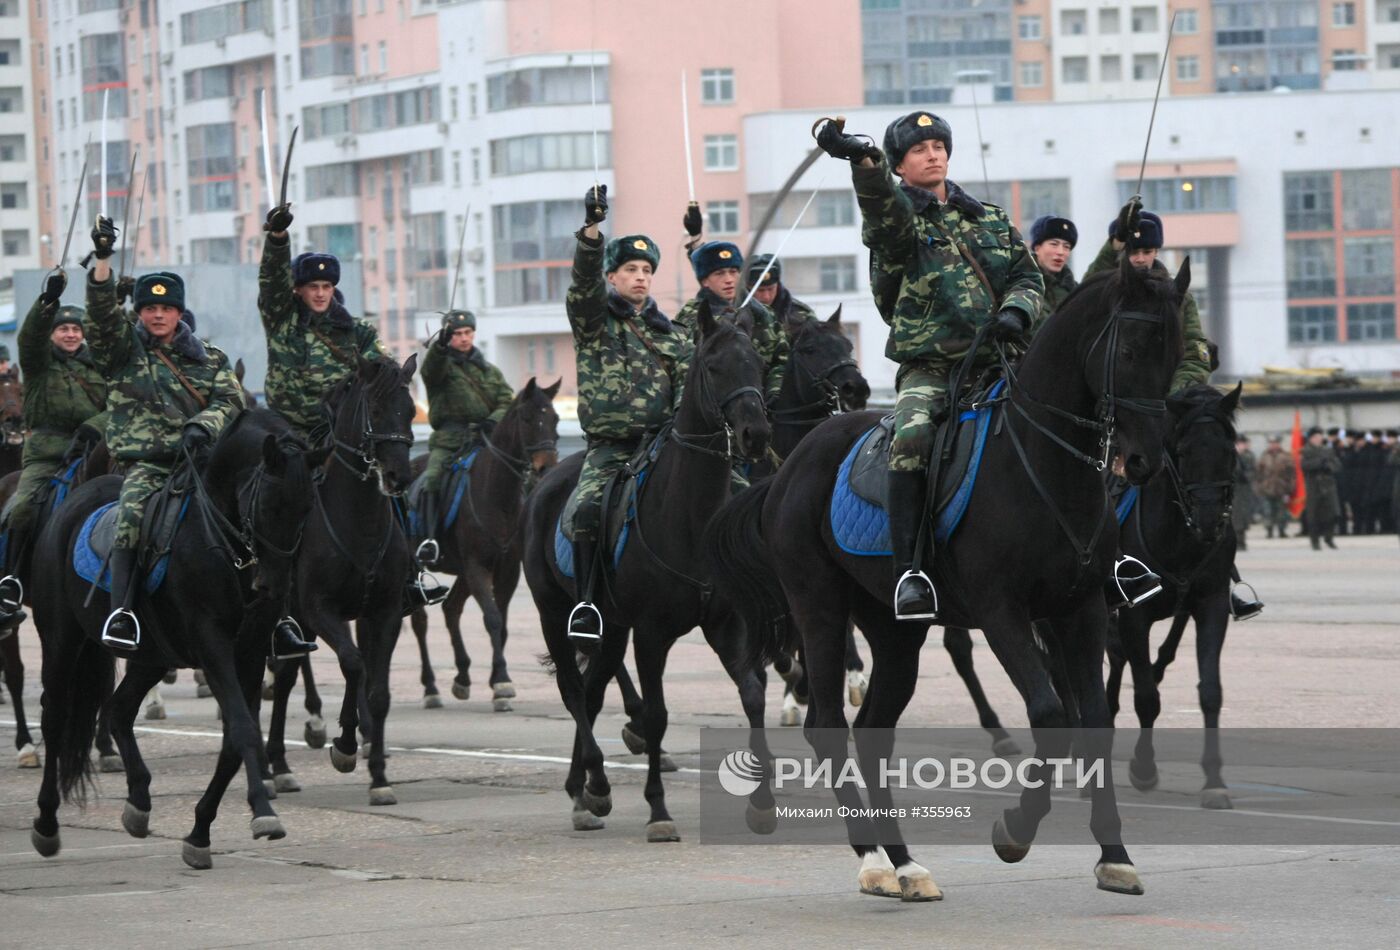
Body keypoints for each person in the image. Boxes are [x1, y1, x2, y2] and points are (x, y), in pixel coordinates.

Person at [815, 111, 1043, 619]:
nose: (933, 153)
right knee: (912, 439)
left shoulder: (989, 217)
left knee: (1078, 415)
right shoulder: (897, 222)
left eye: (939, 144)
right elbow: (881, 210)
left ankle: (1113, 558)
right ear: (900, 165)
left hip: (1003, 360)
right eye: (919, 149)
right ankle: (911, 570)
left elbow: (1028, 276)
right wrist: (863, 162)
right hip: (932, 367)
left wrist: (1014, 312)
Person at [258, 200, 444, 621]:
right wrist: (277, 240)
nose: (320, 293)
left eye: (326, 287)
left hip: (343, 433)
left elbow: (382, 370)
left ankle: (409, 574)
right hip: (293, 430)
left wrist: (397, 377)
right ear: (299, 290)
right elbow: (269, 283)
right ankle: (271, 586)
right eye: (312, 287)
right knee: (277, 499)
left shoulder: (357, 331)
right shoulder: (283, 320)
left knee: (391, 486)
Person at [84, 218, 245, 650]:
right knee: (131, 520)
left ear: (178, 313)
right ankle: (123, 613)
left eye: (167, 308)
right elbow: (100, 314)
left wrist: (202, 426)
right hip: (150, 466)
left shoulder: (209, 358)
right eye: (150, 308)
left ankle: (279, 613)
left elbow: (231, 402)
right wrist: (103, 261)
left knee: (263, 510)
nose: (158, 315)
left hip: (205, 462)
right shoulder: (121, 350)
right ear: (139, 312)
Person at [564, 185, 691, 643]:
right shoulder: (594, 322)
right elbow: (581, 285)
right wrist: (592, 233)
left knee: (734, 495)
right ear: (612, 277)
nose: (640, 277)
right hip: (611, 449)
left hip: (663, 446)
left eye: (646, 270)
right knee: (586, 508)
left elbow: (686, 391)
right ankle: (587, 603)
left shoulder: (673, 335)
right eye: (630, 270)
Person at [0, 273, 108, 627]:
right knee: (22, 508)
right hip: (48, 456)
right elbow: (29, 337)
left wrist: (98, 425)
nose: (71, 335)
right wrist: (47, 305)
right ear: (53, 335)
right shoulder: (39, 363)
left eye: (76, 330)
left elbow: (120, 404)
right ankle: (12, 581)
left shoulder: (97, 369)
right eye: (63, 330)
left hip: (95, 450)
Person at [416, 308, 513, 564]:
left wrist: (492, 421)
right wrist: (439, 347)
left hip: (484, 440)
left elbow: (507, 400)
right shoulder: (441, 367)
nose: (463, 338)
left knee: (518, 477)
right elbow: (430, 370)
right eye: (457, 334)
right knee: (432, 479)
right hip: (449, 441)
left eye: (467, 332)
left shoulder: (490, 371)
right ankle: (430, 541)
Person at [1086, 202, 1211, 394]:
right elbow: (1087, 288)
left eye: (1147, 252)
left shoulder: (1178, 297)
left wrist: (1177, 393)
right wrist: (1115, 243)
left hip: (1161, 400)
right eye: (1133, 252)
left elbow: (1195, 354)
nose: (1140, 259)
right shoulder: (1107, 293)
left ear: (1156, 252)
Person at [674, 239, 789, 405]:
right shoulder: (691, 319)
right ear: (704, 281)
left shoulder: (764, 316)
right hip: (716, 412)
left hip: (766, 408)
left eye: (733, 271)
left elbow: (782, 358)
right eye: (719, 273)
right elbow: (686, 370)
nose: (729, 279)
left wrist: (774, 393)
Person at [745, 254, 817, 337]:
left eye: (771, 289)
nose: (766, 296)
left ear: (778, 285)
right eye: (760, 290)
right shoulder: (735, 314)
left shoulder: (803, 315)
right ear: (748, 288)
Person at [1027, 213, 1079, 316]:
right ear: (1037, 248)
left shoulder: (1075, 291)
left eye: (1066, 247)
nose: (1061, 252)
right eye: (1054, 244)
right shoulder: (1020, 284)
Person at [1301, 426, 1341, 550]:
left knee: (1333, 513)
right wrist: (1319, 462)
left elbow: (1337, 465)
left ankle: (1329, 537)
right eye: (1316, 437)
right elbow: (1305, 465)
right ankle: (1315, 541)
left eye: (1320, 437)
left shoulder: (1328, 450)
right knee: (1314, 515)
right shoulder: (1305, 451)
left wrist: (1328, 466)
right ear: (1311, 438)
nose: (1319, 439)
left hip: (1328, 485)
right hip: (1313, 486)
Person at [1253, 435, 1295, 538]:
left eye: (1275, 443)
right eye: (1271, 443)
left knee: (1282, 511)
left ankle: (1282, 530)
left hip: (1282, 488)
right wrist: (1259, 487)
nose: (1273, 445)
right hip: (1267, 488)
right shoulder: (1264, 456)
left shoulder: (1286, 456)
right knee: (1268, 511)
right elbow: (1258, 474)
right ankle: (1269, 530)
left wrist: (1290, 487)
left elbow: (1291, 473)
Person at [1232, 435, 1257, 551]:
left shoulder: (1249, 456)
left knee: (1242, 516)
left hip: (1244, 490)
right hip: (1233, 490)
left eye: (1242, 443)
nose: (1241, 446)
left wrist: (1245, 475)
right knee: (1234, 517)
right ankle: (1237, 541)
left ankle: (1241, 541)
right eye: (1238, 444)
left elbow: (1251, 472)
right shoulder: (1231, 456)